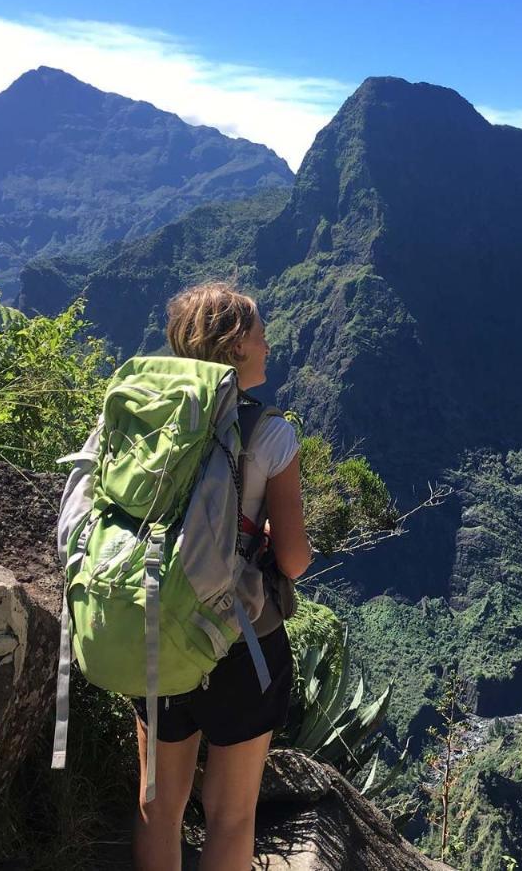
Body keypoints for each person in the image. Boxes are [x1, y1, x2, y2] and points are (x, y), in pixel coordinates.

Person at [131, 281, 313, 871]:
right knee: (231, 816)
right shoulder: (269, 433)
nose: (267, 345)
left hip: (154, 628)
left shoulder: (143, 416)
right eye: (259, 336)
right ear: (235, 348)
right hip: (238, 646)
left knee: (159, 808)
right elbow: (293, 561)